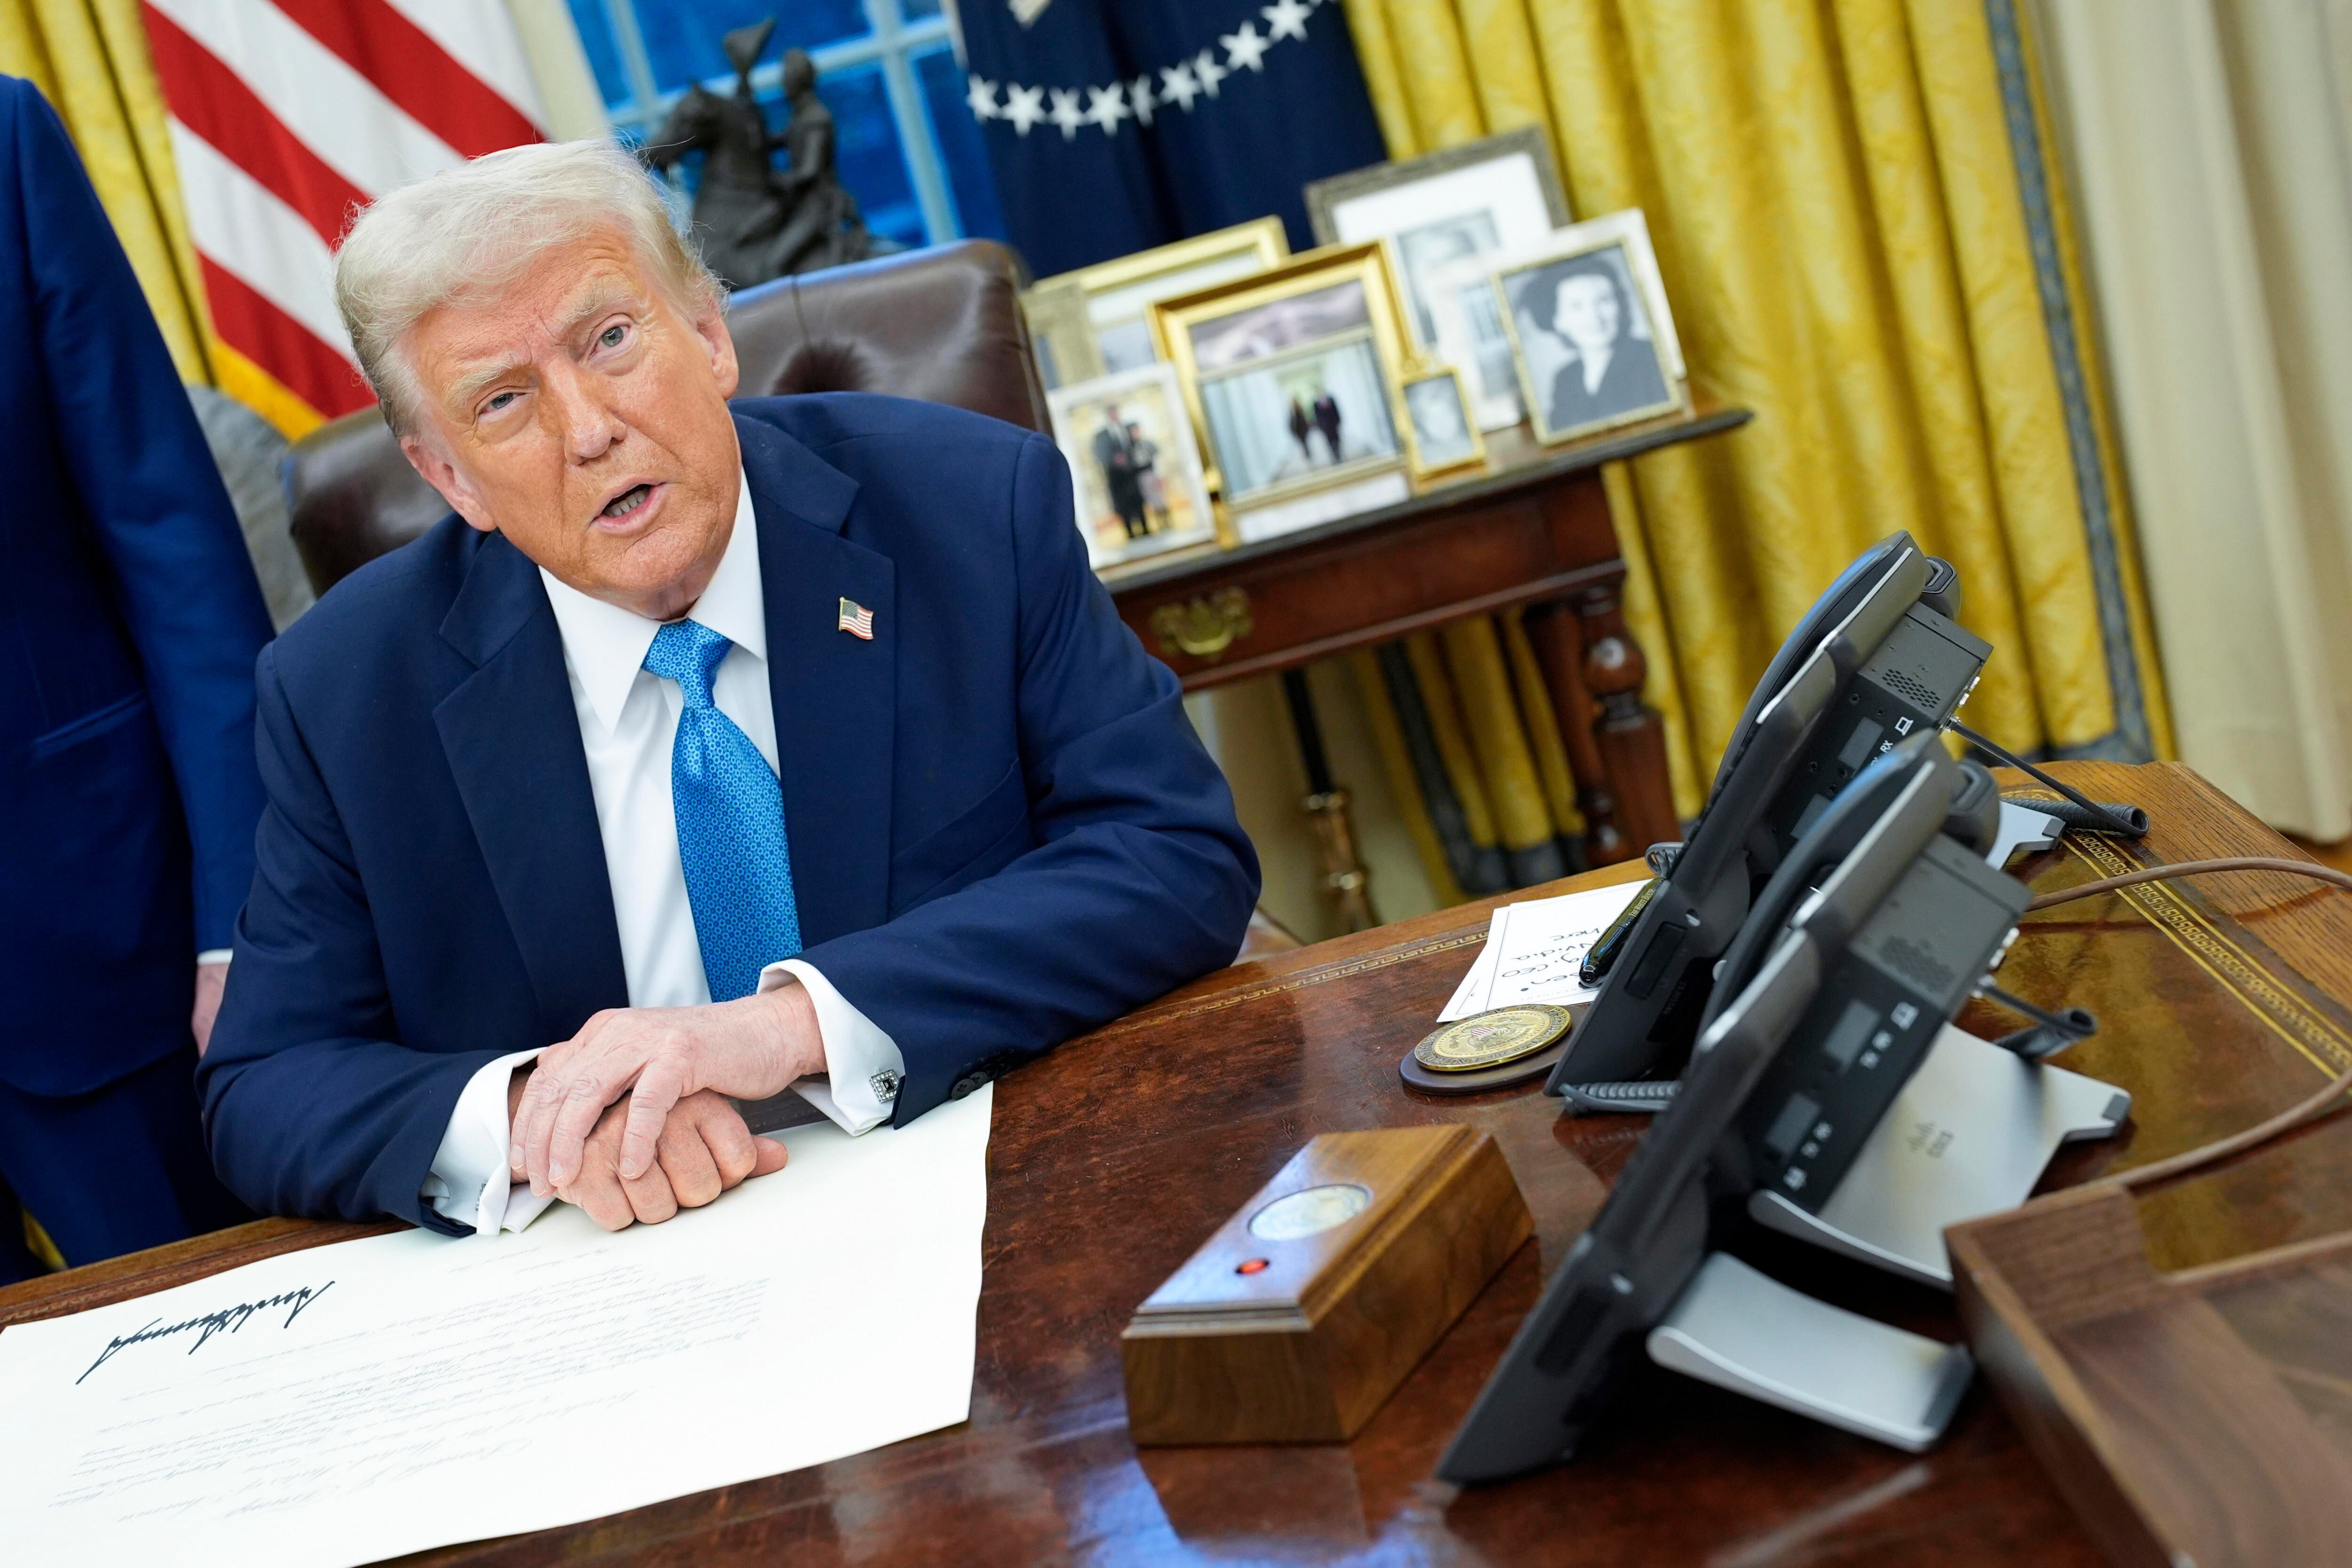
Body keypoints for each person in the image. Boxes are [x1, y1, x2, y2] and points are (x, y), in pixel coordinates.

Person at [198, 142, 1259, 1235]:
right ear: (451, 477)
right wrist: (541, 1116)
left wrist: (788, 1025)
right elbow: (264, 1084)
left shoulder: (970, 509)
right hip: (626, 1276)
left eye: (610, 341)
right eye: (504, 401)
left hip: (997, 1199)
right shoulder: (344, 692)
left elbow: (1173, 856)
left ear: (709, 336)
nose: (588, 429)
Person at [0, 79, 271, 1281]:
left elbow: (176, 551)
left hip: (93, 937)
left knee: (242, 1363)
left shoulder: (6, 142)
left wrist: (240, 924)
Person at [1538, 255, 1670, 435]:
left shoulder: (1650, 357)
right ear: (1559, 320)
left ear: (1620, 307)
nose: (1594, 317)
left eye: (1604, 301)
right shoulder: (1565, 379)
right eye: (1577, 306)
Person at [1093, 406, 1146, 539]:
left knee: (1138, 503)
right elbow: (1101, 454)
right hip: (1117, 477)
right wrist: (1114, 461)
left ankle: (1145, 528)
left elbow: (1137, 446)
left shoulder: (1127, 429)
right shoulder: (1102, 435)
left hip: (1132, 473)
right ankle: (1130, 532)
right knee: (1124, 506)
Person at [1312, 388, 1343, 464]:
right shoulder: (1316, 404)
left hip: (1334, 424)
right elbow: (1317, 416)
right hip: (1325, 427)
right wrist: (1320, 426)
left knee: (1337, 440)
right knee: (1329, 442)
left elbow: (1336, 411)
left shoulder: (1331, 400)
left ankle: (1338, 453)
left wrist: (1338, 421)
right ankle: (1335, 456)